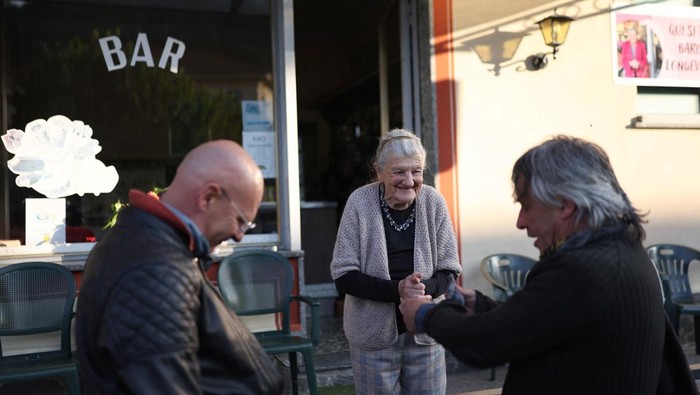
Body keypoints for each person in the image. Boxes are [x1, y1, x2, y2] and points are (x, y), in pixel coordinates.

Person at [400, 135, 697, 394]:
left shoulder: (583, 269)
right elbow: (541, 323)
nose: (521, 222)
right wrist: (477, 304)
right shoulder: (620, 249)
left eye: (527, 206)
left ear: (565, 206)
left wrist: (425, 315)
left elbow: (487, 344)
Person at [75, 140, 284, 394]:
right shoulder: (153, 270)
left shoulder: (151, 243)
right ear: (209, 197)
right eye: (241, 221)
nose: (239, 236)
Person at [330, 128, 462, 394]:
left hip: (426, 330)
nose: (409, 180)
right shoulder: (359, 202)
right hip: (372, 334)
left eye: (416, 172)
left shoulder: (433, 201)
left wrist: (421, 290)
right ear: (379, 172)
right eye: (399, 172)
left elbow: (449, 267)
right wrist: (399, 290)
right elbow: (343, 274)